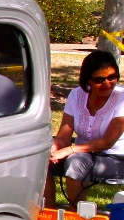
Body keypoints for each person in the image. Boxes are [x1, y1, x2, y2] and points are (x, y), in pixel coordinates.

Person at [46, 50, 124, 206]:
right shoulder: (76, 95)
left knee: (76, 161)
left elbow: (107, 142)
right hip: (83, 154)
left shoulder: (122, 98)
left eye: (112, 77)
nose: (107, 83)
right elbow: (64, 135)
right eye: (99, 79)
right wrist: (54, 148)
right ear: (87, 80)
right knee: (41, 159)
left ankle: (77, 217)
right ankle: (48, 214)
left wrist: (70, 150)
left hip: (116, 158)